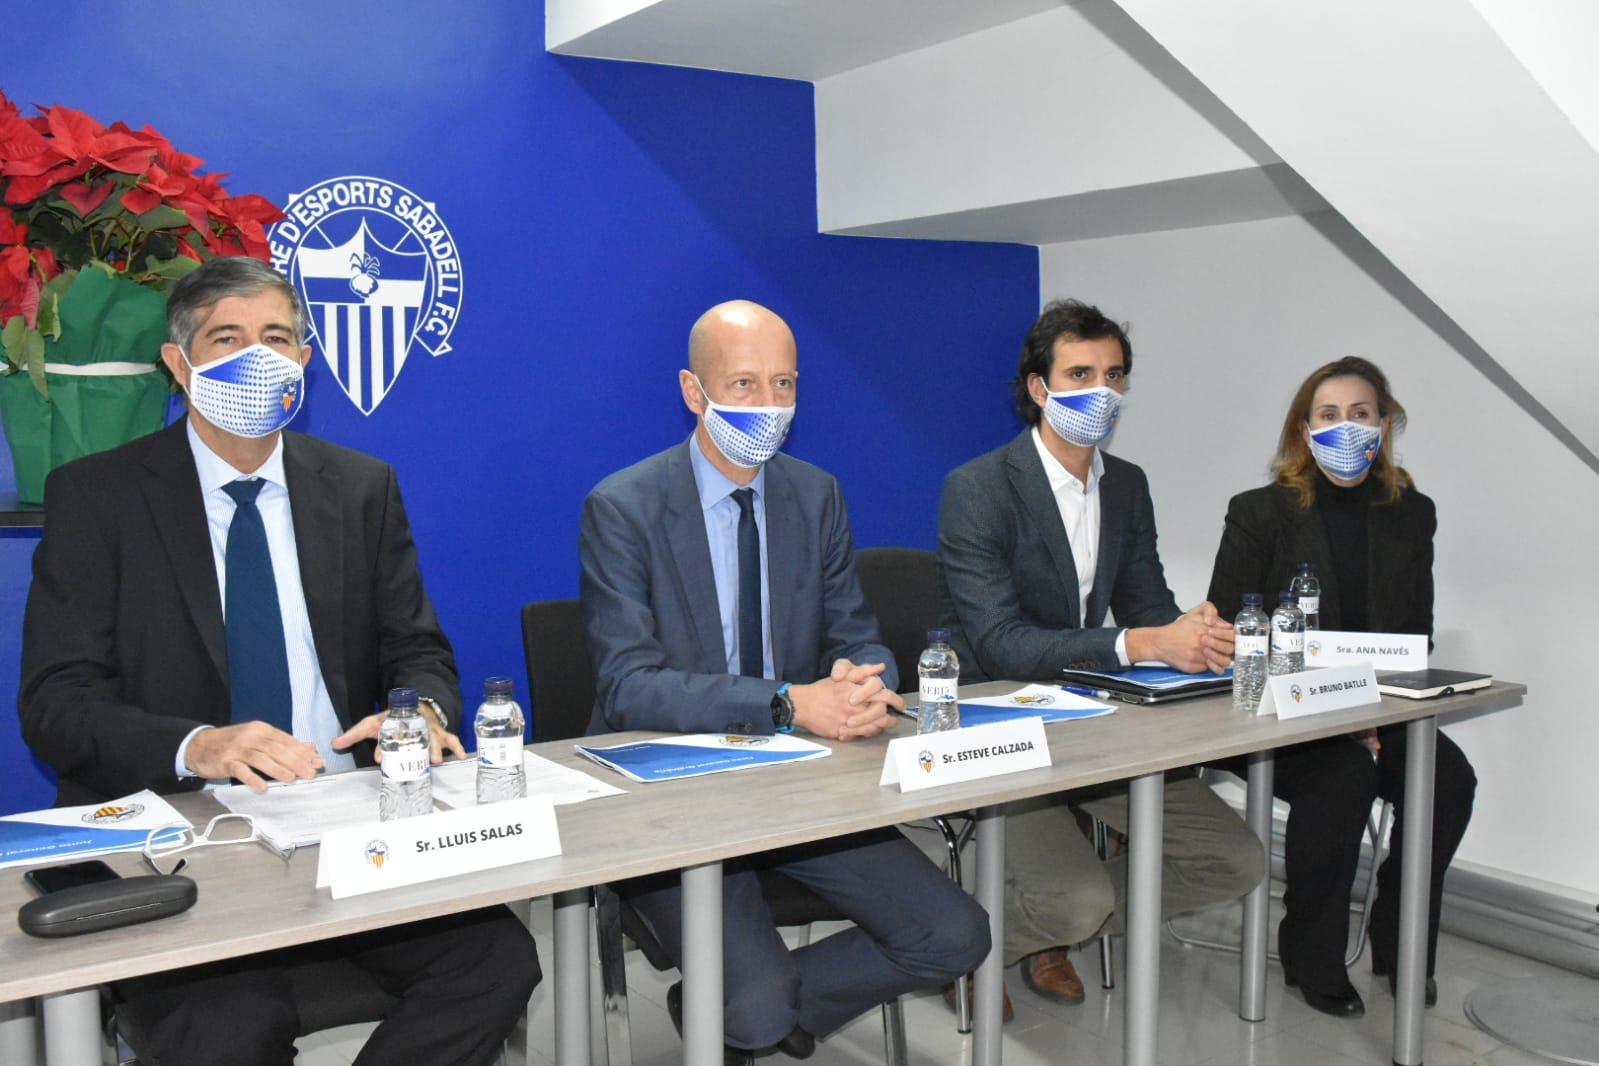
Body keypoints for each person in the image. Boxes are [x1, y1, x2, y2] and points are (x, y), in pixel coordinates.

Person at [19, 256, 539, 1066]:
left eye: (276, 338)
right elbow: (57, 701)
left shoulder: (359, 486)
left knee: (495, 961)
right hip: (180, 831)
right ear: (178, 363)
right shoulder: (99, 495)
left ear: (303, 359)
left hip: (344, 820)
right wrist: (198, 744)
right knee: (230, 1025)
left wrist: (421, 714)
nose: (257, 358)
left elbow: (416, 647)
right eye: (227, 339)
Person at [580, 299, 990, 1064]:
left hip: (798, 782)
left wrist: (861, 679)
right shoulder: (624, 507)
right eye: (743, 384)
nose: (768, 404)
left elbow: (855, 631)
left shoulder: (814, 493)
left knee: (954, 934)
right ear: (693, 391)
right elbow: (628, 685)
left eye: (784, 384)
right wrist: (788, 702)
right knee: (756, 1003)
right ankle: (749, 1010)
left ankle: (738, 1010)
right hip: (670, 793)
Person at [934, 298, 1264, 1007]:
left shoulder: (1127, 484)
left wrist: (1194, 631)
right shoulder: (977, 488)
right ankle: (976, 946)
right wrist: (1140, 642)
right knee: (1077, 898)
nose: (1101, 392)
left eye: (1113, 376)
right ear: (1038, 388)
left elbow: (1147, 605)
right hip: (996, 721)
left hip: (1088, 719)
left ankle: (1018, 931)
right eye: (1079, 374)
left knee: (1233, 861)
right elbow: (1000, 644)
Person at [1207, 355, 1475, 1018]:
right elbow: (1230, 630)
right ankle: (1310, 952)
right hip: (1277, 711)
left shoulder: (1411, 514)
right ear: (1305, 430)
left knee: (1448, 779)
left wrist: (1371, 712)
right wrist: (1334, 708)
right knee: (1343, 776)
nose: (1346, 427)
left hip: (1379, 706)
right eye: (1329, 415)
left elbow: (1414, 634)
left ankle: (1399, 937)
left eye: (1361, 414)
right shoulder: (1259, 511)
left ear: (1383, 426)